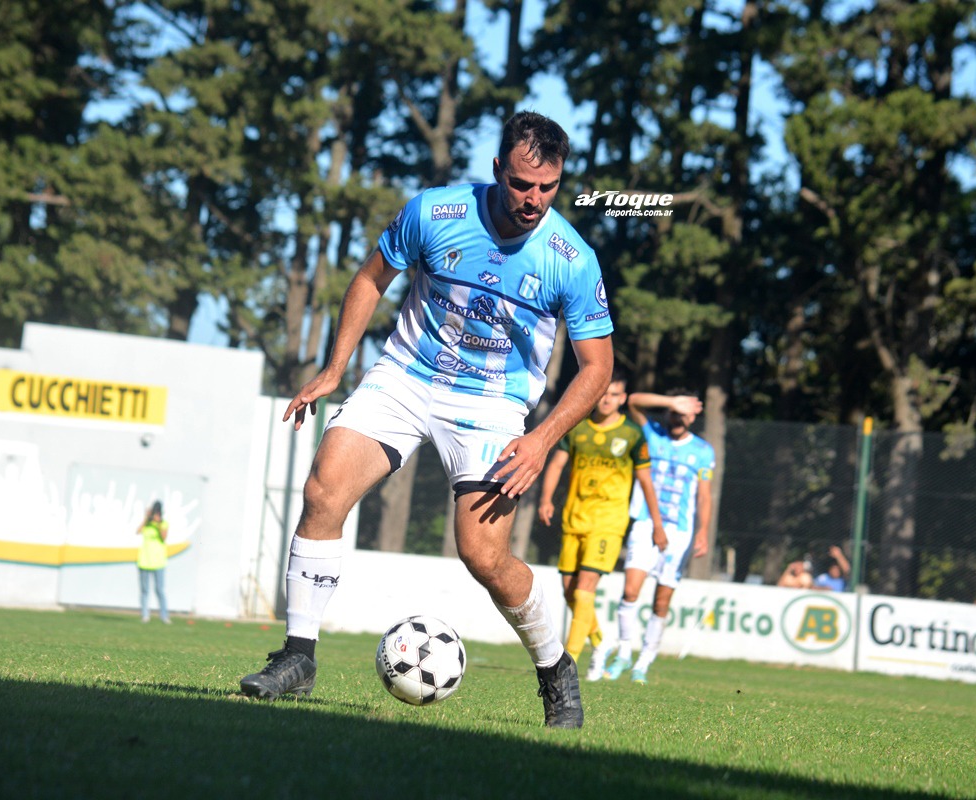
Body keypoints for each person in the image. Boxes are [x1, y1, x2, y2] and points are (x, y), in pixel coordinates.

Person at [238, 111, 613, 730]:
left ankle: (555, 672)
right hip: (406, 376)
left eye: (548, 187)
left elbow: (596, 368)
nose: (534, 200)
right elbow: (370, 277)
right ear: (497, 170)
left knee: (484, 554)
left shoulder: (570, 257)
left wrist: (542, 439)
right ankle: (297, 657)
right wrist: (336, 369)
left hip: (492, 404)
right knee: (322, 490)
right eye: (522, 184)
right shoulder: (436, 213)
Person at [536, 371, 666, 683]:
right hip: (575, 518)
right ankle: (600, 641)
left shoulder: (634, 435)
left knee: (584, 589)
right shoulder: (577, 428)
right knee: (570, 591)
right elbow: (556, 463)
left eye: (615, 395)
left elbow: (646, 482)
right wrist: (545, 499)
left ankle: (566, 663)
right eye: (603, 394)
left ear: (623, 399)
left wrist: (657, 524)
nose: (607, 400)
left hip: (609, 522)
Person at [603, 390, 714, 685]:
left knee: (661, 603)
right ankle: (625, 651)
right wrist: (671, 401)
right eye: (675, 411)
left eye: (685, 412)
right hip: (645, 524)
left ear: (693, 417)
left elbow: (704, 496)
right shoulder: (651, 434)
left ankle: (644, 662)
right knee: (630, 592)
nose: (679, 417)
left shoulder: (703, 451)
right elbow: (634, 401)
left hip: (680, 533)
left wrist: (703, 531)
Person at [136, 500, 170, 624]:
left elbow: (164, 537)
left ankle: (164, 616)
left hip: (158, 561)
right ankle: (145, 615)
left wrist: (158, 522)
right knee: (144, 590)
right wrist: (147, 518)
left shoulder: (163, 523)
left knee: (159, 590)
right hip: (144, 560)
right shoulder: (147, 524)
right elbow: (138, 531)